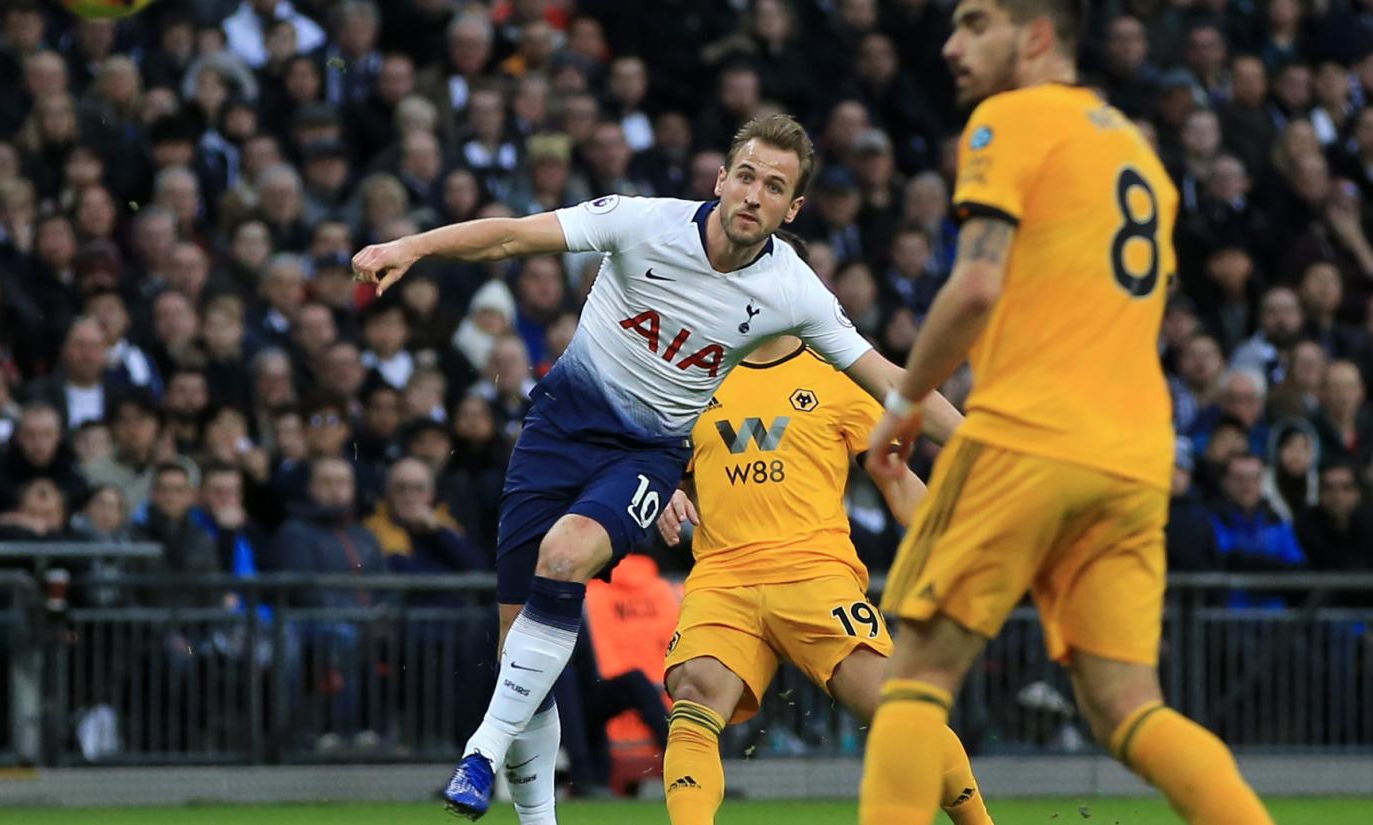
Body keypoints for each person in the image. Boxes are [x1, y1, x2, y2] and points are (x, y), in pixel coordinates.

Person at [352, 112, 962, 822]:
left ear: (792, 208)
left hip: (649, 455)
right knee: (519, 649)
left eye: (773, 187)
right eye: (745, 176)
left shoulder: (792, 290)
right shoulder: (643, 223)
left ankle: (481, 751)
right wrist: (413, 245)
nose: (753, 195)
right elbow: (514, 234)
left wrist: (982, 444)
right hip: (556, 431)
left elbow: (891, 380)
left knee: (566, 555)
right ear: (720, 179)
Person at [860, 1, 1271, 822]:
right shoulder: (1141, 156)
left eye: (976, 22)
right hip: (1136, 457)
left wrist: (903, 402)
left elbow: (977, 284)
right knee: (1129, 709)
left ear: (1038, 35)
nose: (952, 45)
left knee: (915, 677)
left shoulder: (1010, 118)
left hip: (1031, 432)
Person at [652, 336, 991, 824]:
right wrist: (664, 489)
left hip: (815, 573)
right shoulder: (695, 375)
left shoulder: (841, 373)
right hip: (723, 578)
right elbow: (657, 468)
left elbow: (896, 480)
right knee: (695, 693)